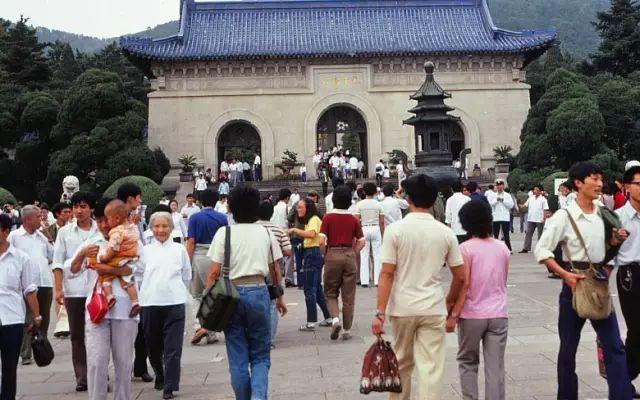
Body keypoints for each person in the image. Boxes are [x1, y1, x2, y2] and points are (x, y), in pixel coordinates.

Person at [534, 161, 633, 400]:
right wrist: (565, 274)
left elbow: (609, 249)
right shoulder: (564, 216)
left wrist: (615, 243)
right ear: (578, 183)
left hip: (598, 284)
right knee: (568, 350)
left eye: (601, 179)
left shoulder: (604, 213)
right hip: (573, 285)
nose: (600, 184)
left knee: (615, 348)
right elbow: (542, 250)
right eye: (594, 179)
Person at [371, 174, 468, 400]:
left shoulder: (395, 231)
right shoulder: (445, 232)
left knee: (402, 361)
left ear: (408, 198)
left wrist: (379, 312)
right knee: (431, 368)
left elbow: (386, 273)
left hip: (402, 307)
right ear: (434, 200)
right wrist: (450, 301)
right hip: (433, 306)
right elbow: (461, 276)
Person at [206, 186, 287, 400]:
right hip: (259, 291)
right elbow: (275, 270)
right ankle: (258, 396)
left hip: (231, 294)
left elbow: (213, 271)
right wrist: (279, 298)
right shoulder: (265, 233)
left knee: (237, 351)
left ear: (230, 208)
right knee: (260, 354)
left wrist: (208, 299)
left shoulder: (225, 232)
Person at [68, 197, 141, 400]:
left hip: (125, 309)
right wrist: (82, 254)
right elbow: (72, 270)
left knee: (124, 362)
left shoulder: (131, 238)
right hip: (97, 309)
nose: (103, 225)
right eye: (99, 220)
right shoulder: (91, 243)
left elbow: (138, 268)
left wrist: (107, 268)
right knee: (97, 361)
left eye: (106, 220)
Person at [456, 201, 510, 400]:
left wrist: (454, 313)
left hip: (471, 314)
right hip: (498, 313)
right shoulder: (502, 247)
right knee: (495, 366)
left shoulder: (465, 249)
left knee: (468, 361)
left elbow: (464, 284)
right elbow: (503, 280)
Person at [137, 212, 191, 399]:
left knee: (173, 347)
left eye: (164, 226)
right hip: (150, 302)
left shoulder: (179, 250)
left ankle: (170, 385)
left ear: (171, 227)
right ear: (151, 229)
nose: (161, 230)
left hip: (174, 303)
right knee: (153, 346)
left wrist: (178, 291)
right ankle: (160, 373)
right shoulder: (145, 251)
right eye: (157, 226)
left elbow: (186, 275)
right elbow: (138, 275)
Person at [53, 191, 100, 392]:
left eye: (83, 206)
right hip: (74, 291)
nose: (79, 211)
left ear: (91, 209)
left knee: (98, 335)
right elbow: (57, 262)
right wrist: (58, 289)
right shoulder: (65, 233)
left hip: (97, 290)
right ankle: (82, 377)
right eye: (75, 207)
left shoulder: (100, 230)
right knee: (77, 336)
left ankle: (99, 375)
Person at [0, 213, 41, 400]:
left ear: (6, 231)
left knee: (9, 367)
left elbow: (29, 289)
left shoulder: (20, 258)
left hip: (12, 319)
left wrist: (37, 316)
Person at [7, 205, 53, 366]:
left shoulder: (40, 236)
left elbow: (52, 254)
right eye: (38, 217)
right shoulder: (14, 236)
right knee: (28, 317)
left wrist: (47, 234)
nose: (41, 220)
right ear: (27, 219)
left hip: (45, 280)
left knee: (44, 317)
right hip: (26, 283)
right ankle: (25, 353)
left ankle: (42, 348)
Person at [116, 183, 153, 382]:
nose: (140, 202)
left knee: (141, 329)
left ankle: (140, 366)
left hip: (139, 280)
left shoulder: (135, 218)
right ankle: (125, 367)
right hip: (121, 280)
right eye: (138, 197)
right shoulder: (116, 219)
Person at [320, 186, 365, 340]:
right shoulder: (352, 219)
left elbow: (321, 240)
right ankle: (346, 330)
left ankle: (335, 319)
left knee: (330, 292)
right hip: (349, 255)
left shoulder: (327, 217)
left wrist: (325, 254)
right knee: (349, 295)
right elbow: (362, 240)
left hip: (332, 253)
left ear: (333, 200)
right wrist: (353, 252)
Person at [186, 189, 228, 345]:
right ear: (216, 200)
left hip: (199, 256)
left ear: (200, 201)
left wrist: (187, 262)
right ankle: (210, 332)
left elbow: (191, 242)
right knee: (215, 294)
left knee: (196, 295)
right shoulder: (222, 218)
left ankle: (199, 326)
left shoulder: (195, 217)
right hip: (218, 257)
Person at [614, 165, 640, 397]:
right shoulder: (619, 217)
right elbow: (608, 250)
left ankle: (623, 378)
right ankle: (624, 377)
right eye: (638, 184)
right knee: (637, 328)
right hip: (629, 276)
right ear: (627, 187)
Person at [289, 197, 331, 331]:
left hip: (312, 254)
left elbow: (311, 234)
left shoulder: (313, 219)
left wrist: (294, 230)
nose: (298, 209)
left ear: (308, 208)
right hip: (314, 253)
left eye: (300, 207)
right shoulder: (312, 220)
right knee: (317, 288)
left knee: (309, 289)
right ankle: (328, 317)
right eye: (297, 207)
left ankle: (311, 322)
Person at [96, 200, 141, 316]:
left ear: (116, 219)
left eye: (107, 219)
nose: (106, 224)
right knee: (126, 281)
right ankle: (135, 302)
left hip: (119, 259)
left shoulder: (116, 232)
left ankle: (109, 297)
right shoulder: (133, 228)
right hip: (131, 258)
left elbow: (113, 250)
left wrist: (104, 259)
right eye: (100, 221)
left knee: (106, 277)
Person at [257, 200, 292, 347]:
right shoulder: (278, 230)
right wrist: (277, 254)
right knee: (272, 304)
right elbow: (288, 250)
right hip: (273, 269)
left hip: (256, 269)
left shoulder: (254, 229)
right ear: (271, 214)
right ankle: (269, 339)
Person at [355, 182, 385, 287]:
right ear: (375, 192)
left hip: (364, 228)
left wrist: (358, 234)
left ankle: (364, 281)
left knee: (364, 255)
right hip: (376, 227)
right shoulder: (379, 204)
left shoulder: (359, 204)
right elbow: (382, 221)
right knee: (377, 255)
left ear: (364, 192)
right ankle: (377, 280)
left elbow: (356, 220)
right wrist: (382, 233)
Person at [520, 185, 550, 254]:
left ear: (540, 191)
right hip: (531, 218)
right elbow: (525, 205)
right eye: (534, 189)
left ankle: (540, 248)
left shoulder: (543, 199)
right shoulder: (531, 198)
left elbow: (545, 209)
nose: (535, 191)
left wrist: (544, 218)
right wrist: (520, 206)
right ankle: (526, 248)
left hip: (540, 219)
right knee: (528, 233)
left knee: (540, 235)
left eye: (536, 190)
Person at [488, 180, 514, 251]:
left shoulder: (507, 195)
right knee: (495, 234)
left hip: (505, 217)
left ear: (503, 186)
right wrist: (496, 200)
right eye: (497, 185)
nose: (499, 187)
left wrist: (503, 200)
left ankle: (508, 249)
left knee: (506, 234)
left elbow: (511, 205)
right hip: (496, 217)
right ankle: (495, 249)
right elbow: (490, 204)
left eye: (500, 185)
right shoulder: (493, 195)